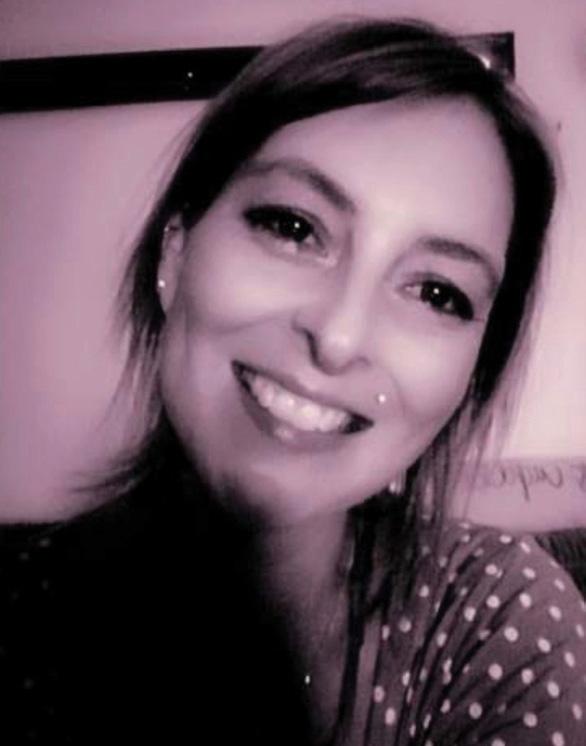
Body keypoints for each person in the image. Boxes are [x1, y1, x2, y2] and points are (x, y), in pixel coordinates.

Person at [0, 16, 584, 746]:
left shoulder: (503, 626)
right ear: (175, 253)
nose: (338, 337)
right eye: (293, 227)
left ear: (472, 371)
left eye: (438, 293)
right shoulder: (17, 622)